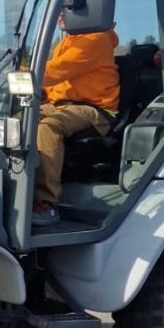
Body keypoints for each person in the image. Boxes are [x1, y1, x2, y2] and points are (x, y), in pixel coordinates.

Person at [33, 13, 120, 226]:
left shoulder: (95, 39)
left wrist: (22, 73)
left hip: (95, 109)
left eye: (69, 8)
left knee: (47, 128)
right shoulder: (68, 41)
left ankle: (47, 203)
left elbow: (57, 70)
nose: (61, 14)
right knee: (12, 122)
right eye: (60, 8)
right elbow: (54, 83)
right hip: (60, 105)